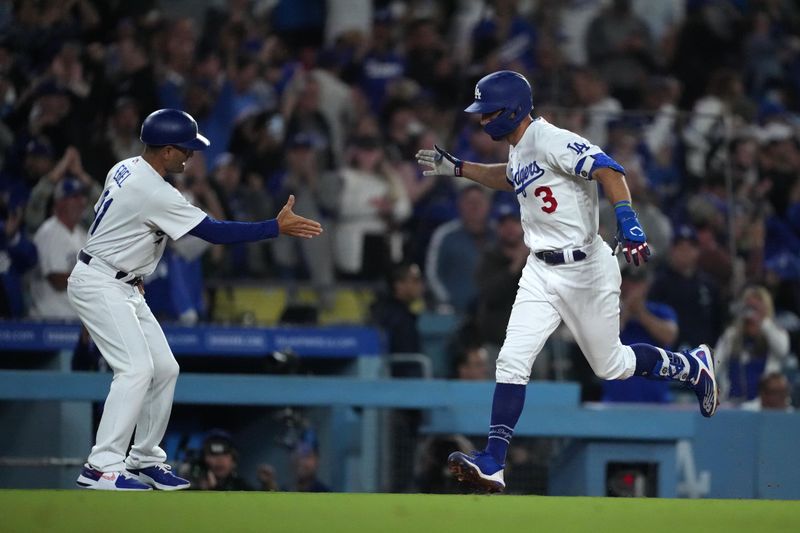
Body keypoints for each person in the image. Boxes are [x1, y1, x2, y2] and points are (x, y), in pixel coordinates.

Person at [416, 70, 718, 494]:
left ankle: (690, 366)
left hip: (585, 269)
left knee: (610, 365)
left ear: (513, 109)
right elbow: (510, 176)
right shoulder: (522, 148)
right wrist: (461, 168)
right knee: (511, 359)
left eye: (489, 113)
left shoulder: (550, 139)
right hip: (540, 270)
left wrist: (628, 221)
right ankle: (493, 460)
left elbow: (610, 171)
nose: (482, 121)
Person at [71, 109, 322, 491]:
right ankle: (100, 465)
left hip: (120, 279)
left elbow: (109, 221)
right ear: (166, 150)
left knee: (165, 368)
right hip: (101, 281)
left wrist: (130, 266)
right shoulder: (154, 190)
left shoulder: (125, 167)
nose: (191, 156)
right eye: (185, 149)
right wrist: (274, 227)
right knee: (136, 370)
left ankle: (143, 459)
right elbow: (214, 233)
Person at [28, 177, 88, 319]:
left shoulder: (83, 234)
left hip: (75, 321)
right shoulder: (49, 232)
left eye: (81, 197)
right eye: (74, 197)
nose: (81, 202)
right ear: (60, 203)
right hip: (49, 322)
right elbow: (57, 280)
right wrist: (92, 278)